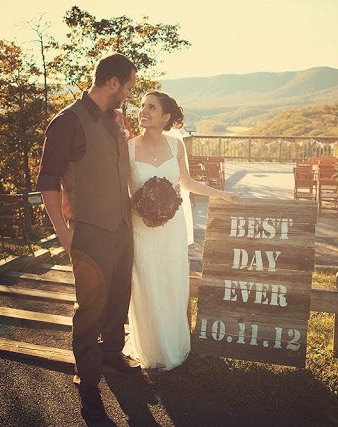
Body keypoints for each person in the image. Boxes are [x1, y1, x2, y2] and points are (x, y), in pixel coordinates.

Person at [35, 53, 139, 426]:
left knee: (118, 296)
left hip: (122, 227)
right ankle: (88, 377)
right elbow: (47, 182)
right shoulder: (65, 123)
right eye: (127, 87)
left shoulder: (114, 121)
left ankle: (113, 353)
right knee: (91, 306)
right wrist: (64, 235)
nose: (129, 94)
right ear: (112, 83)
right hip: (89, 231)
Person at [124, 91, 237, 370]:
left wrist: (218, 193)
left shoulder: (176, 146)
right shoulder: (127, 148)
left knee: (172, 283)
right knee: (146, 283)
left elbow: (186, 182)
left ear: (166, 117)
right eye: (141, 106)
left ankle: (174, 346)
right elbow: (122, 193)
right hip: (141, 229)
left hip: (172, 228)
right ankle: (150, 349)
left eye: (151, 107)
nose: (143, 111)